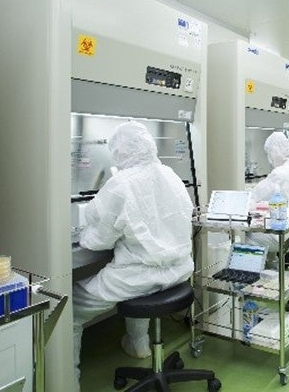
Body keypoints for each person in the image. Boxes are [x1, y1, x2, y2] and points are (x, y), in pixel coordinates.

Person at [72, 121, 193, 388]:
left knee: (69, 308)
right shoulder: (171, 175)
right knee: (139, 282)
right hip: (178, 271)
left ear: (121, 151)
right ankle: (139, 344)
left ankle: (68, 381)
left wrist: (83, 235)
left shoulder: (120, 184)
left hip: (140, 278)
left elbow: (99, 241)